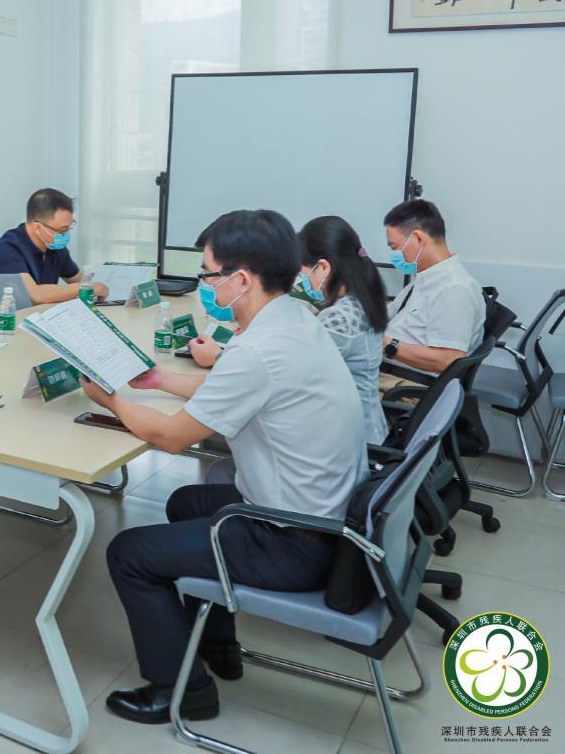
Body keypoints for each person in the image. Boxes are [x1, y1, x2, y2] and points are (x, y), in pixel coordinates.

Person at [83, 209, 365, 725]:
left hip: (293, 540)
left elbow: (171, 438)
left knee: (128, 553)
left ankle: (182, 691)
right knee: (186, 501)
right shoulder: (295, 318)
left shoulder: (258, 349)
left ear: (242, 279)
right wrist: (160, 381)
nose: (204, 285)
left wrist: (112, 401)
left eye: (209, 274)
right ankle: (217, 645)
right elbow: (237, 386)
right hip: (327, 517)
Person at [297, 216, 391, 444]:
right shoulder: (363, 299)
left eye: (305, 273)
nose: (304, 282)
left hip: (350, 440)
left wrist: (221, 356)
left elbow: (294, 377)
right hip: (369, 426)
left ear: (323, 267)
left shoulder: (339, 317)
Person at [382, 199, 484, 374]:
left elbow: (448, 360)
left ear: (419, 238)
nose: (394, 255)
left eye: (395, 247)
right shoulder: (426, 278)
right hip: (390, 370)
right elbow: (390, 314)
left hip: (409, 382)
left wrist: (383, 344)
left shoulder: (454, 288)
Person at [0, 187, 107, 305]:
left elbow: (77, 279)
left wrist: (96, 280)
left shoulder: (54, 246)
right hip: (3, 318)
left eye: (69, 227)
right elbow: (34, 295)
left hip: (39, 314)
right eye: (62, 229)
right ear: (38, 227)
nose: (66, 235)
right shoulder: (8, 249)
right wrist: (85, 287)